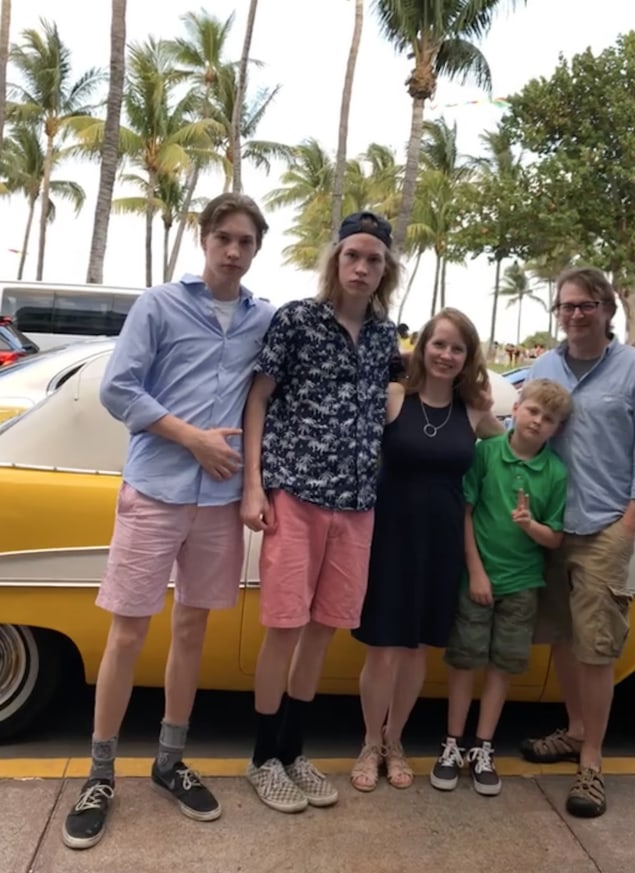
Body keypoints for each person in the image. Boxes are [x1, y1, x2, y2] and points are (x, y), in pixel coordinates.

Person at [62, 193, 275, 850]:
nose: (233, 250)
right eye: (224, 237)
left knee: (193, 628)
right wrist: (194, 439)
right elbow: (118, 389)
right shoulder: (158, 304)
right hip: (156, 489)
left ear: (255, 249)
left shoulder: (262, 318)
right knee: (127, 633)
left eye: (245, 241)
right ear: (205, 239)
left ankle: (168, 761)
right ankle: (100, 774)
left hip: (218, 500)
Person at [241, 211, 402, 813]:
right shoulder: (298, 321)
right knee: (283, 627)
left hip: (357, 505)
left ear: (386, 270)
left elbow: (393, 405)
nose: (361, 267)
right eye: (352, 255)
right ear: (336, 260)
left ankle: (292, 749)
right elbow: (257, 400)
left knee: (322, 631)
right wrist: (254, 488)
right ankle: (262, 758)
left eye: (374, 259)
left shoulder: (387, 337)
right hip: (296, 495)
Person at [518, 266, 635, 818]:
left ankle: (592, 762)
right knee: (562, 636)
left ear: (607, 309)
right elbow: (523, 427)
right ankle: (574, 729)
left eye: (586, 305)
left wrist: (628, 525)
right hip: (551, 530)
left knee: (597, 646)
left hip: (606, 526)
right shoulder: (544, 366)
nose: (576, 314)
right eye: (567, 306)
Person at [349, 308, 505, 793]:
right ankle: (369, 743)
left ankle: (396, 741)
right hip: (389, 537)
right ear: (423, 347)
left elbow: (516, 451)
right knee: (383, 650)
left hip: (441, 543)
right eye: (439, 344)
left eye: (457, 348)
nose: (446, 354)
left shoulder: (476, 411)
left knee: (416, 651)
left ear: (468, 358)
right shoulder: (395, 398)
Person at [430, 379, 572, 797]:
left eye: (548, 419)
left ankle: (483, 746)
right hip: (478, 577)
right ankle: (453, 743)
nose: (537, 421)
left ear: (556, 429)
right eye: (532, 411)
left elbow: (556, 538)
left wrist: (531, 526)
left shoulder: (555, 473)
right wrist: (475, 572)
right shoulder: (486, 453)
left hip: (523, 584)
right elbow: (466, 514)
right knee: (464, 661)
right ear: (517, 409)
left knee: (502, 667)